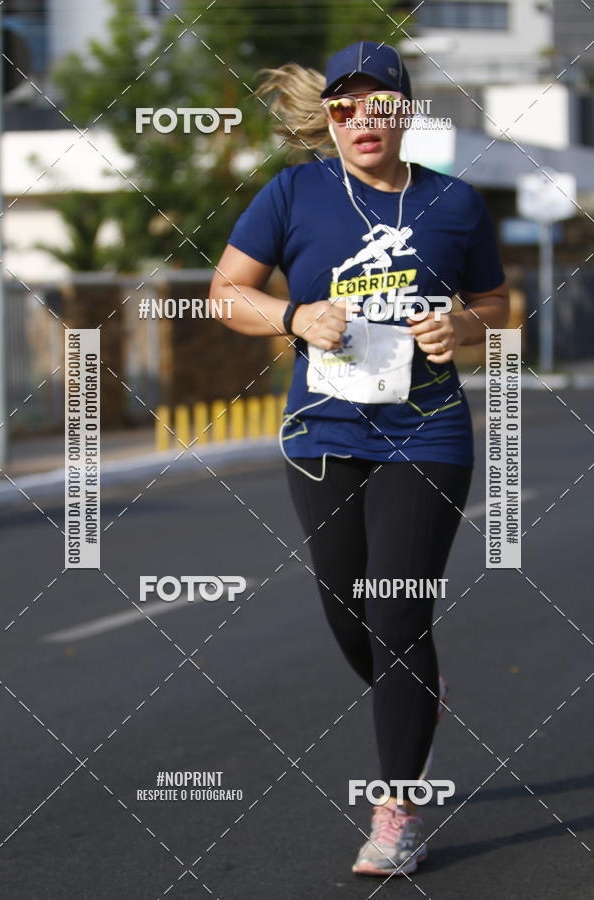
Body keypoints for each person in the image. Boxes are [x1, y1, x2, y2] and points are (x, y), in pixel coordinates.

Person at [210, 40, 509, 877]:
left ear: (404, 112)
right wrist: (293, 317)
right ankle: (410, 688)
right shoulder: (295, 191)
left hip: (428, 432)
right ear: (332, 119)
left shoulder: (455, 203)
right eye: (345, 107)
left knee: (395, 615)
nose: (361, 120)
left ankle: (398, 812)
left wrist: (469, 328)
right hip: (322, 434)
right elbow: (225, 292)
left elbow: (495, 300)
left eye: (379, 105)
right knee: (352, 616)